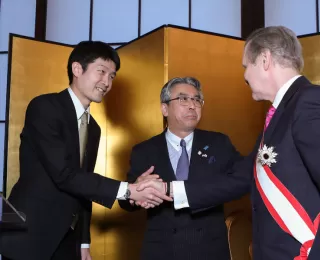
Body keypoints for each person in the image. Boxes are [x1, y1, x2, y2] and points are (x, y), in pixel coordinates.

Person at [138, 26, 320, 260]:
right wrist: (167, 189)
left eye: (246, 66)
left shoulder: (307, 101)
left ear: (264, 59)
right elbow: (242, 177)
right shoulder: (281, 114)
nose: (244, 75)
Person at [0, 41, 171, 260]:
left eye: (112, 76)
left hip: (68, 238)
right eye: (101, 71)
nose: (107, 82)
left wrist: (83, 241)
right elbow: (64, 175)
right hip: (29, 233)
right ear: (77, 69)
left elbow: (83, 184)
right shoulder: (45, 107)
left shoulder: (94, 128)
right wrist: (128, 190)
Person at [119, 77, 241, 260]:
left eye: (197, 99)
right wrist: (135, 194)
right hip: (162, 251)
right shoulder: (144, 151)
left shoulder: (219, 143)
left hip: (210, 250)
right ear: (164, 108)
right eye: (183, 99)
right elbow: (125, 202)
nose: (192, 105)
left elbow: (239, 182)